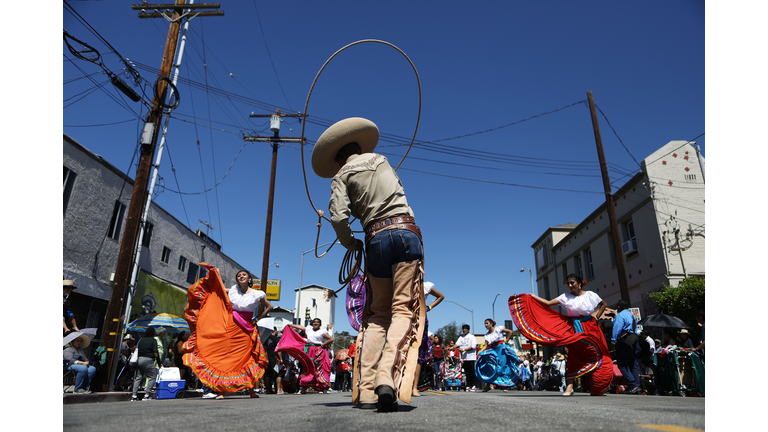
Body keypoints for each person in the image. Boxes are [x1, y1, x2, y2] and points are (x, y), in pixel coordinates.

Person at [312, 117, 426, 412]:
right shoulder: (382, 160)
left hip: (374, 238)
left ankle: (366, 392)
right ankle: (387, 378)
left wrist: (351, 242)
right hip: (405, 232)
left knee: (377, 314)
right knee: (402, 309)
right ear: (359, 146)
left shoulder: (341, 176)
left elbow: (338, 218)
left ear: (337, 159)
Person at [510, 273, 612, 396]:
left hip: (591, 327)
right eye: (568, 283)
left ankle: (597, 386)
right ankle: (569, 387)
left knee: (596, 354)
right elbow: (548, 303)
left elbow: (603, 305)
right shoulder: (565, 296)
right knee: (574, 356)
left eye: (572, 283)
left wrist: (596, 317)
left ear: (579, 283)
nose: (570, 286)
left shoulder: (591, 295)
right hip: (575, 328)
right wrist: (533, 296)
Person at [182, 267, 271, 400]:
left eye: (244, 275)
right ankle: (221, 391)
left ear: (250, 279)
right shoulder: (233, 291)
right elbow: (219, 291)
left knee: (247, 359)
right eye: (239, 275)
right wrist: (217, 274)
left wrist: (257, 318)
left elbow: (270, 307)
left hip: (246, 329)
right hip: (231, 327)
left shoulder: (257, 294)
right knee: (226, 358)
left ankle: (251, 391)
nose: (241, 277)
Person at [412, 281, 444, 396]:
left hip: (420, 320)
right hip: (405, 318)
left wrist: (429, 307)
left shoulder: (424, 285)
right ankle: (402, 385)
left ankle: (414, 387)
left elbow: (441, 296)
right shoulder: (403, 282)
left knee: (418, 353)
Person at [285, 319, 334, 393]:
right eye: (314, 322)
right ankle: (304, 387)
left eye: (317, 322)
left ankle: (321, 387)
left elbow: (331, 339)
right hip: (309, 350)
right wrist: (291, 325)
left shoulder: (322, 331)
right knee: (308, 368)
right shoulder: (309, 329)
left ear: (320, 324)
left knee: (320, 368)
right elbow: (301, 327)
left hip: (319, 351)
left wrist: (322, 344)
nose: (315, 323)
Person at [476, 318, 517, 392]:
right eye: (485, 324)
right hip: (493, 350)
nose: (485, 325)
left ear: (491, 324)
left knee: (502, 367)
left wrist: (506, 341)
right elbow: (485, 346)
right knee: (491, 367)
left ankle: (505, 386)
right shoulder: (487, 335)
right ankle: (488, 385)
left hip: (501, 349)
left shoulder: (498, 329)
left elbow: (510, 331)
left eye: (487, 323)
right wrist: (480, 351)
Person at [612, 300, 642, 395]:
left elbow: (617, 329)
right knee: (633, 364)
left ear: (619, 307)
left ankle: (632, 384)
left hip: (624, 342)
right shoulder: (632, 316)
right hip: (633, 342)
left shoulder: (620, 316)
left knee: (622, 365)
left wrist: (613, 341)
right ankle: (637, 385)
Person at [131, 327, 159, 401]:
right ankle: (146, 395)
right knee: (152, 377)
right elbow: (156, 353)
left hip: (139, 360)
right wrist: (159, 362)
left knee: (138, 377)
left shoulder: (141, 340)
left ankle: (134, 396)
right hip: (148, 360)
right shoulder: (153, 340)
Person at [456, 324, 478, 392]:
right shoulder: (461, 337)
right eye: (463, 329)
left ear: (468, 330)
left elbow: (473, 346)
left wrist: (464, 350)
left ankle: (473, 385)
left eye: (465, 329)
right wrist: (451, 347)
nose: (464, 330)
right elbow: (457, 344)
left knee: (472, 372)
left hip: (471, 357)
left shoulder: (472, 337)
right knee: (466, 372)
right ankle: (468, 385)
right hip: (464, 358)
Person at [263, 327, 281, 394]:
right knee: (276, 374)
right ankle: (277, 389)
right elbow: (278, 349)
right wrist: (281, 358)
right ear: (275, 331)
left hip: (267, 357)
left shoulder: (265, 338)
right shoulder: (276, 339)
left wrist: (266, 358)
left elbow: (265, 350)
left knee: (267, 374)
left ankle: (268, 390)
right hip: (274, 357)